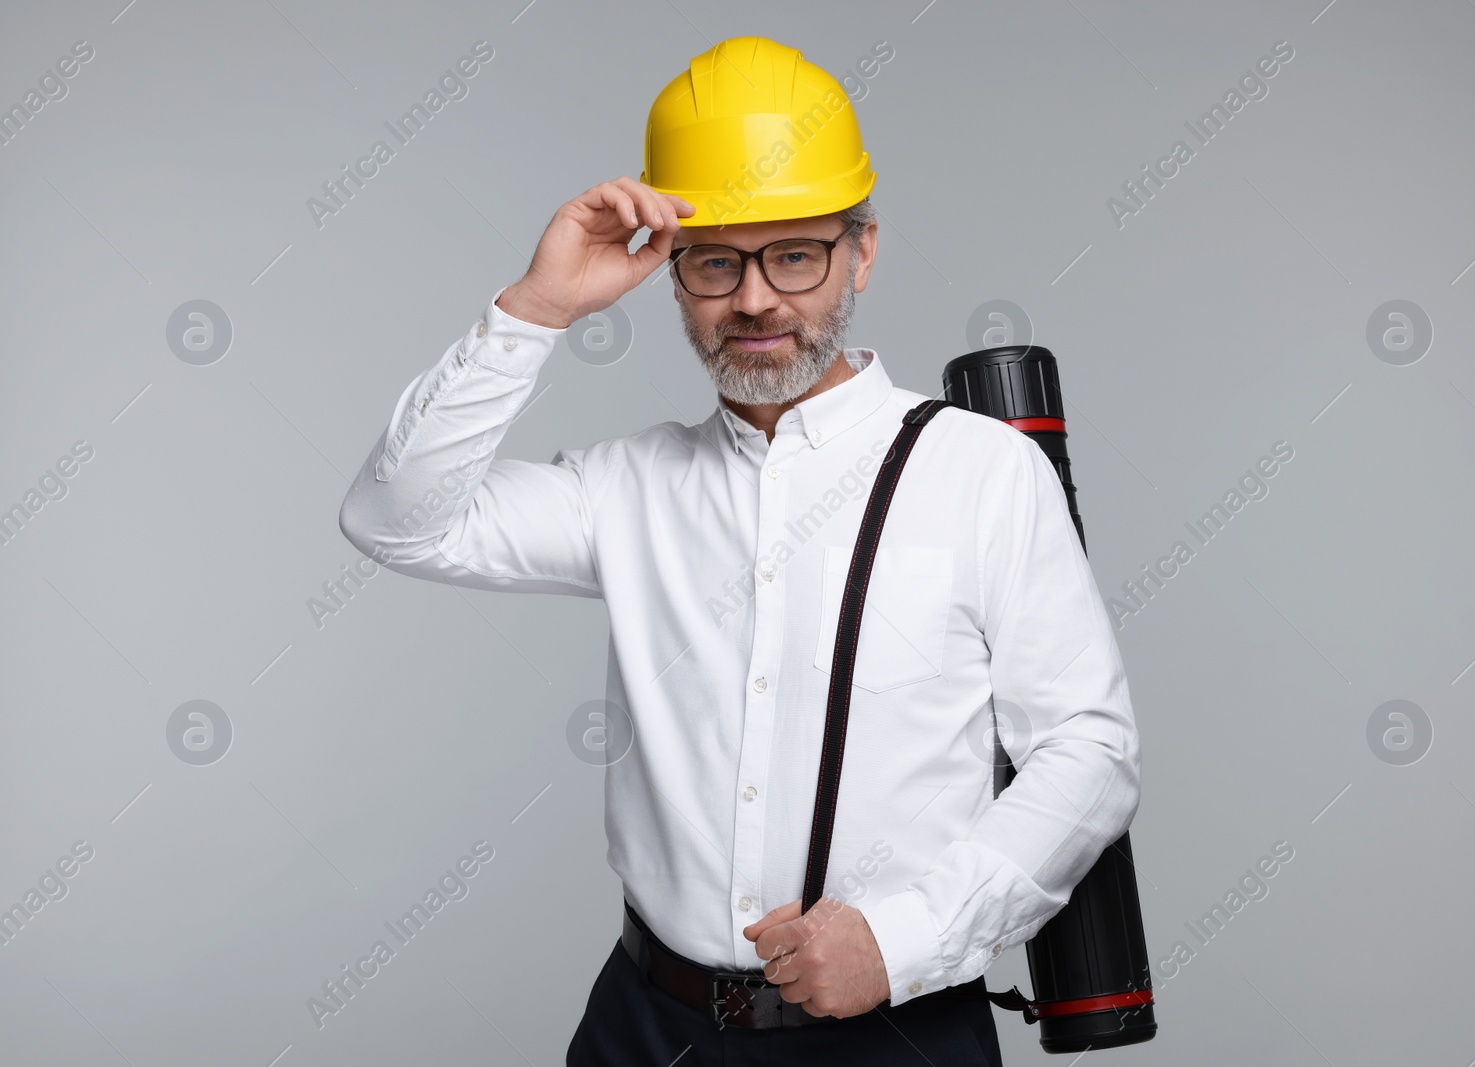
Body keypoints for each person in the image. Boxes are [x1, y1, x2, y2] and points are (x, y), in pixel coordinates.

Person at [338, 34, 1140, 1067]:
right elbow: (396, 515)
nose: (755, 298)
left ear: (862, 250)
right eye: (715, 260)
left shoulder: (981, 472)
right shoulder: (624, 486)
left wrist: (900, 940)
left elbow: (1087, 750)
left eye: (795, 252)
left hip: (892, 1032)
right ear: (669, 274)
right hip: (646, 1027)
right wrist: (535, 308)